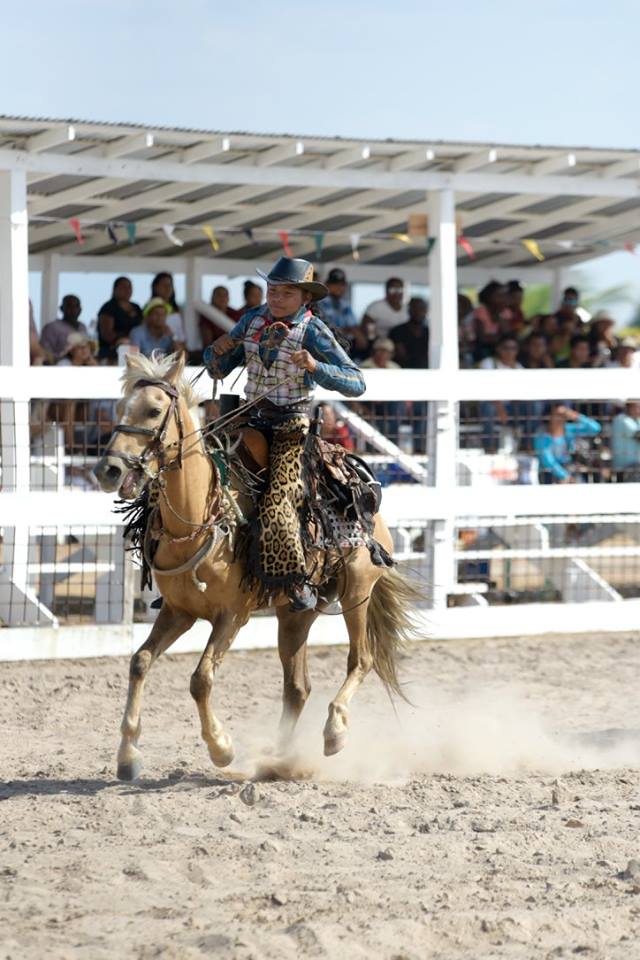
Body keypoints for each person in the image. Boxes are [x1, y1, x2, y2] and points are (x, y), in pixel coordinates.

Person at [204, 256, 365, 611]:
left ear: (304, 297)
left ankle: (293, 578)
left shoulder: (313, 330)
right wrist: (214, 354)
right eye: (272, 289)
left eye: (286, 292)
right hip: (245, 417)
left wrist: (315, 366)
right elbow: (219, 367)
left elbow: (356, 381)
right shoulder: (250, 320)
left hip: (291, 425)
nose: (276, 297)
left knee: (280, 498)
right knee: (194, 469)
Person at [477, 336, 524, 453]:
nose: (509, 352)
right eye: (506, 348)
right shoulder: (488, 364)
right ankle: (490, 447)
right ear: (498, 349)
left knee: (533, 407)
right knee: (488, 408)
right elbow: (487, 389)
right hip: (492, 403)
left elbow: (522, 393)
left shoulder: (519, 368)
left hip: (512, 406)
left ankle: (526, 445)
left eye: (513, 348)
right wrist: (500, 409)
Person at [533, 403, 601, 483]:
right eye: (557, 415)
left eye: (563, 415)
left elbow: (595, 428)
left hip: (570, 468)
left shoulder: (569, 429)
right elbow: (548, 462)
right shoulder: (542, 436)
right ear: (549, 416)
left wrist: (575, 416)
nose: (560, 418)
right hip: (550, 473)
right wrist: (565, 476)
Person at [97, 276, 143, 363]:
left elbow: (143, 328)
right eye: (123, 287)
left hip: (135, 349)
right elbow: (106, 334)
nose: (127, 290)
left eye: (129, 287)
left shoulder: (136, 307)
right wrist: (121, 339)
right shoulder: (108, 307)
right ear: (115, 289)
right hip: (111, 352)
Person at [470, 281, 511, 362]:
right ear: (488, 296)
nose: (503, 298)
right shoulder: (481, 311)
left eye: (504, 295)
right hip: (483, 348)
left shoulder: (505, 311)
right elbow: (482, 338)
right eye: (499, 295)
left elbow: (507, 334)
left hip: (500, 347)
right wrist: (499, 338)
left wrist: (499, 317)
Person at [40, 295, 89, 360]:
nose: (73, 309)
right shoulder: (51, 327)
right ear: (61, 308)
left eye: (76, 306)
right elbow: (45, 353)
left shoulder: (83, 327)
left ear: (80, 309)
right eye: (69, 306)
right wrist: (66, 358)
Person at [389, 297, 429, 368]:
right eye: (415, 308)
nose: (418, 311)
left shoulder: (429, 332)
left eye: (421, 308)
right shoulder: (397, 331)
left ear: (426, 311)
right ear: (409, 310)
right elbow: (402, 356)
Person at [150, 272, 186, 349]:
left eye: (170, 285)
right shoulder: (148, 308)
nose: (168, 288)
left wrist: (174, 339)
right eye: (164, 285)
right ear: (155, 287)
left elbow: (182, 338)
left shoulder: (178, 309)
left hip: (176, 349)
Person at [199, 285, 241, 349]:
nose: (222, 298)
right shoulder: (207, 315)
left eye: (225, 295)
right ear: (212, 298)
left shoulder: (235, 314)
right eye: (219, 295)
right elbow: (207, 342)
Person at [317, 268, 357, 333]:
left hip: (342, 341)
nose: (339, 287)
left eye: (342, 284)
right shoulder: (320, 302)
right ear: (327, 284)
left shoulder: (345, 305)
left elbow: (353, 326)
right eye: (335, 284)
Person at [611, 401, 640, 479]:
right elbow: (637, 435)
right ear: (630, 408)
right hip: (625, 466)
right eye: (637, 407)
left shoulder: (637, 420)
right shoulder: (621, 419)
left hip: (636, 465)